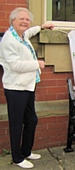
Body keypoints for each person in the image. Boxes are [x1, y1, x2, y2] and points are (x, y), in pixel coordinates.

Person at [0, 7, 54, 169]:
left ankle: (26, 151)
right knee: (16, 123)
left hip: (28, 86)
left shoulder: (21, 35)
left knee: (31, 119)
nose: (25, 22)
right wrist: (36, 64)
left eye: (27, 19)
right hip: (16, 88)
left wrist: (41, 27)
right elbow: (15, 65)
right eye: (21, 19)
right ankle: (17, 157)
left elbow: (29, 32)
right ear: (13, 21)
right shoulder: (9, 40)